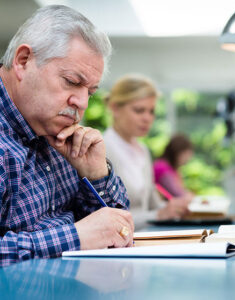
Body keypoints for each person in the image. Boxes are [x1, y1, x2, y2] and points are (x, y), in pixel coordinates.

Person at [0, 5, 134, 267]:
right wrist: (75, 237)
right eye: (72, 82)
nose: (82, 102)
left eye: (91, 91)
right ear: (23, 61)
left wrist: (97, 175)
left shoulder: (60, 134)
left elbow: (120, 231)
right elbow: (86, 236)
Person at [103, 74, 191, 229]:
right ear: (115, 108)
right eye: (139, 110)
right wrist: (158, 215)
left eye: (151, 111)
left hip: (145, 239)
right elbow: (105, 218)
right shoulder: (101, 150)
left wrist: (174, 207)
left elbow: (153, 206)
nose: (147, 118)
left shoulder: (143, 151)